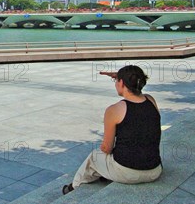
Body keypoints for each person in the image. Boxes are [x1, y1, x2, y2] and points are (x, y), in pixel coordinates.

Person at [62, 65, 162, 195]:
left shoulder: (114, 110)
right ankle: (105, 174)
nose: (115, 84)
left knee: (95, 156)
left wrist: (122, 76)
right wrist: (124, 76)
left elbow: (106, 148)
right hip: (155, 170)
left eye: (116, 81)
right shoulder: (151, 100)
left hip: (128, 173)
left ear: (121, 82)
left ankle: (73, 188)